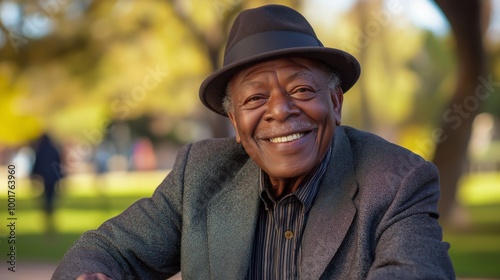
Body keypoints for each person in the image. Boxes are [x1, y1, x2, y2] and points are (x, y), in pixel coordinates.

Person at [53, 5, 455, 279]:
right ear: (234, 119)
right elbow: (107, 249)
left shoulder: (397, 181)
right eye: (255, 98)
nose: (279, 111)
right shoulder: (200, 174)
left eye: (300, 89)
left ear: (334, 102)